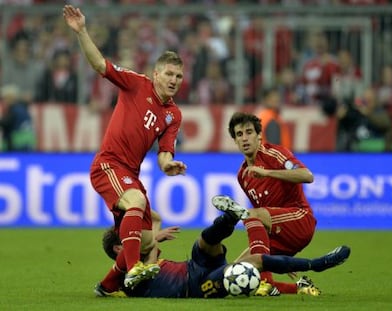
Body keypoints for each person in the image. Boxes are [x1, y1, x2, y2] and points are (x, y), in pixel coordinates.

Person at [63, 4, 187, 291]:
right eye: (169, 74)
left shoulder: (174, 114)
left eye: (178, 77)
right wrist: (81, 31)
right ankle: (133, 270)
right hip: (108, 164)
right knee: (137, 203)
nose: (173, 80)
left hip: (130, 173)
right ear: (156, 74)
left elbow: (164, 153)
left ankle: (107, 285)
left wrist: (168, 164)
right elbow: (99, 65)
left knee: (146, 238)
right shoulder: (135, 84)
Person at [96, 207, 351, 298]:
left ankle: (227, 220)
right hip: (196, 287)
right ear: (120, 248)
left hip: (192, 267)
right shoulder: (124, 271)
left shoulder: (141, 257)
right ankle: (316, 264)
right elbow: (104, 287)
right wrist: (153, 240)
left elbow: (153, 224)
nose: (138, 235)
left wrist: (148, 229)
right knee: (255, 261)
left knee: (204, 241)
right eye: (131, 235)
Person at [214, 111, 317, 296]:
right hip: (278, 233)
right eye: (239, 134)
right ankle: (300, 288)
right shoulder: (243, 176)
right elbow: (261, 219)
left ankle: (266, 282)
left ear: (259, 135)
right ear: (235, 141)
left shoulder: (275, 154)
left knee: (251, 214)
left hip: (301, 219)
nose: (245, 138)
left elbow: (307, 176)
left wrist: (268, 173)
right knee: (232, 274)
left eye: (249, 132)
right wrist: (278, 260)